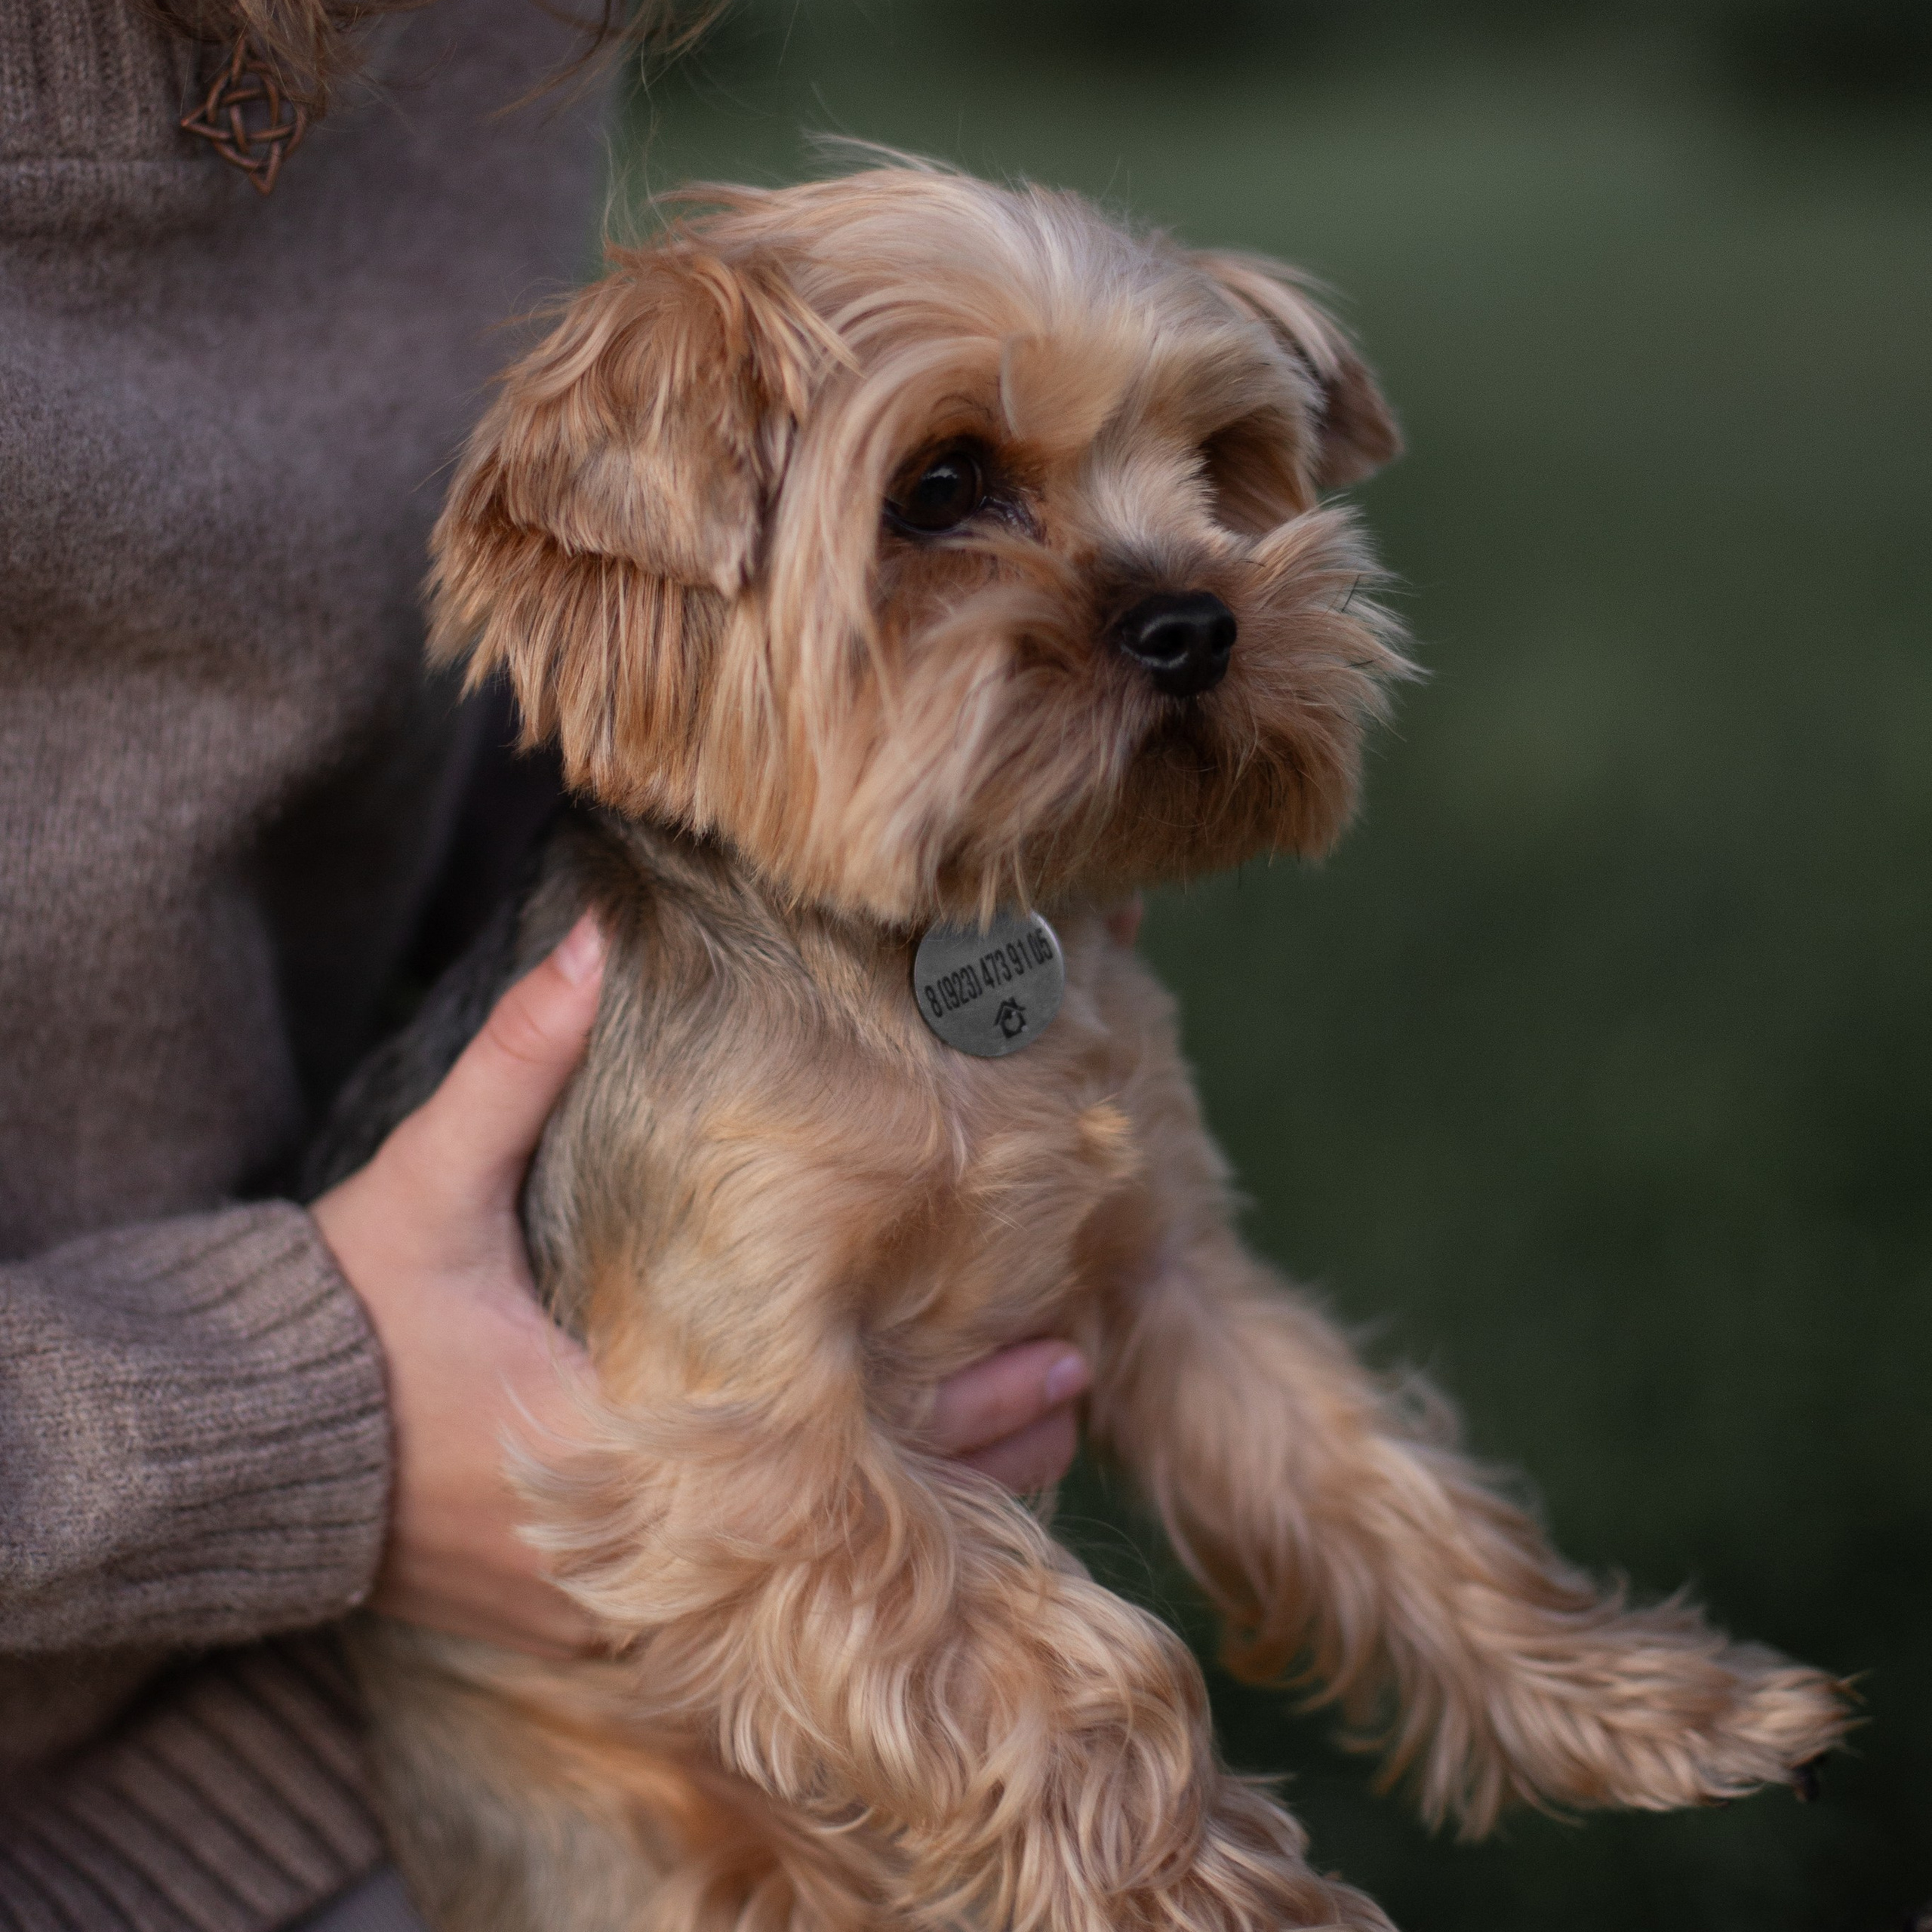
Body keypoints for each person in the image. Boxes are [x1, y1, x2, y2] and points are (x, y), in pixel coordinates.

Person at [0, 4, 1088, 1927]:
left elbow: (512, 669)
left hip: (416, 1715)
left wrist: (851, 854)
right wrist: (285, 1425)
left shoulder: (464, 40)